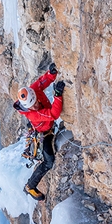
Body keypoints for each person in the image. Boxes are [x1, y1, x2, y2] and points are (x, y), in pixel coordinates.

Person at [14, 63, 65, 201]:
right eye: (33, 106)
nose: (36, 105)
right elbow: (53, 114)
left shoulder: (33, 89)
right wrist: (58, 96)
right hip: (44, 133)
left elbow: (43, 81)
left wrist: (51, 73)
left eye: (36, 102)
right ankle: (30, 186)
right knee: (49, 162)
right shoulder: (33, 114)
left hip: (46, 127)